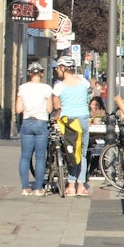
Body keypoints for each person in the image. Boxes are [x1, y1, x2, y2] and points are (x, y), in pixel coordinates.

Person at [15, 62, 58, 197]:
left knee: (25, 156)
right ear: (41, 73)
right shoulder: (46, 88)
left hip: (27, 122)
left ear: (29, 74)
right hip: (41, 123)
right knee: (40, 158)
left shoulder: (22, 88)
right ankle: (38, 188)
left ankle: (25, 187)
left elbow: (18, 109)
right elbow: (49, 109)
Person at [53, 56, 92, 196]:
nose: (57, 71)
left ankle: (70, 185)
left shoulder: (59, 86)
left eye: (58, 68)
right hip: (83, 119)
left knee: (70, 152)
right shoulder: (83, 82)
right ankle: (81, 186)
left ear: (63, 69)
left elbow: (57, 106)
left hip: (68, 121)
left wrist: (56, 116)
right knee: (82, 152)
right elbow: (89, 96)